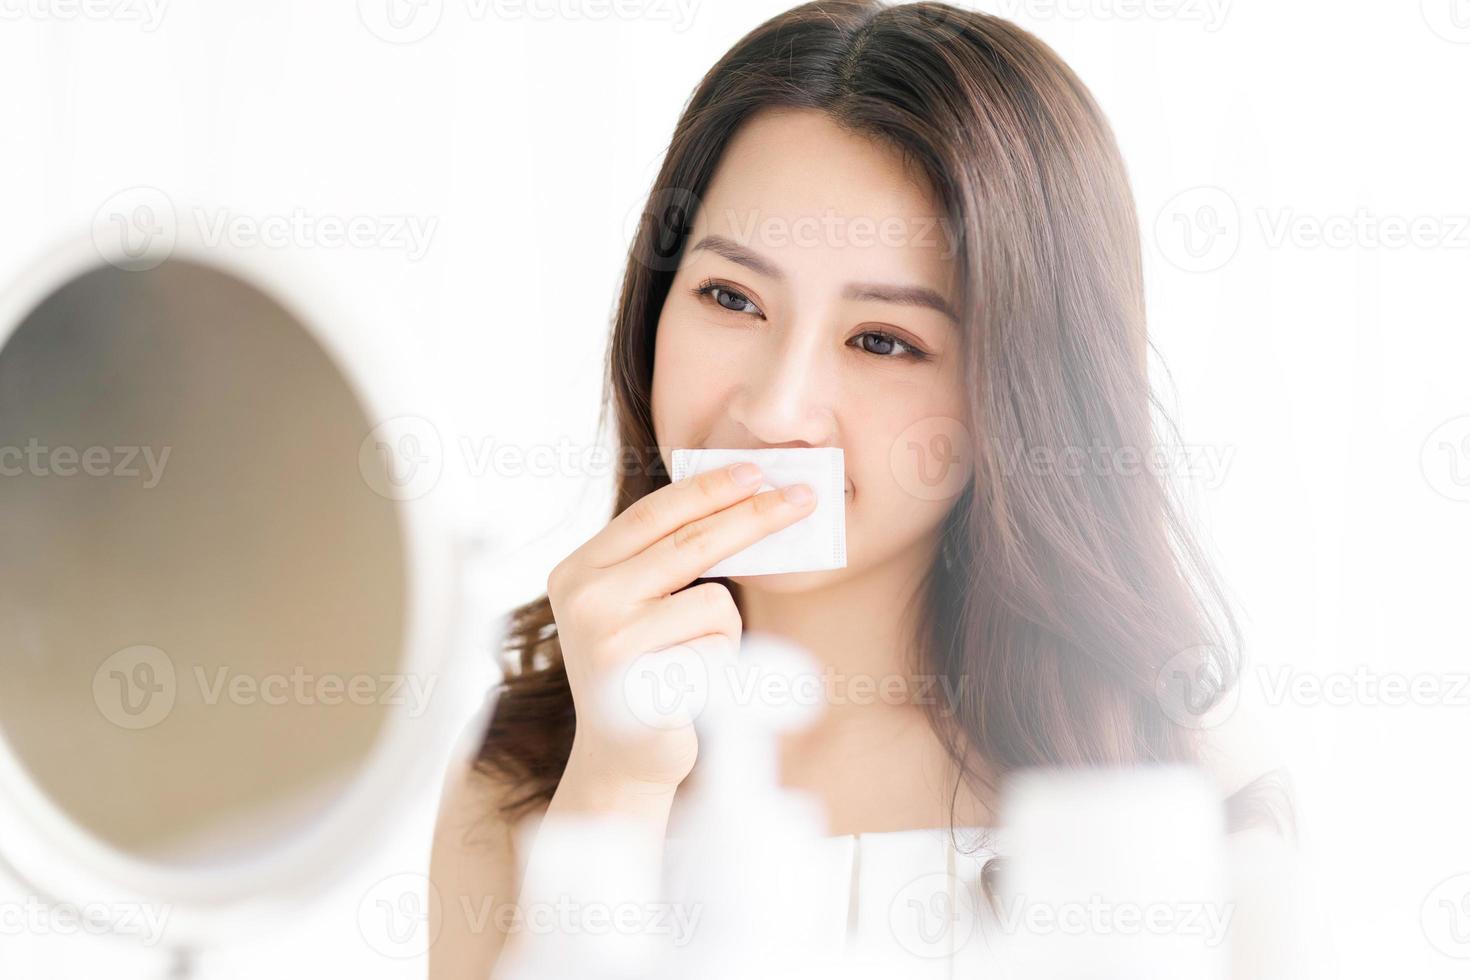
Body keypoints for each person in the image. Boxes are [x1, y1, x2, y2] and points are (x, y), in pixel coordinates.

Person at [430, 2, 1296, 977]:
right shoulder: (522, 771)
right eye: (731, 296)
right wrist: (616, 783)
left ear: (1019, 393)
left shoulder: (1175, 783)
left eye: (884, 340)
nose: (777, 408)